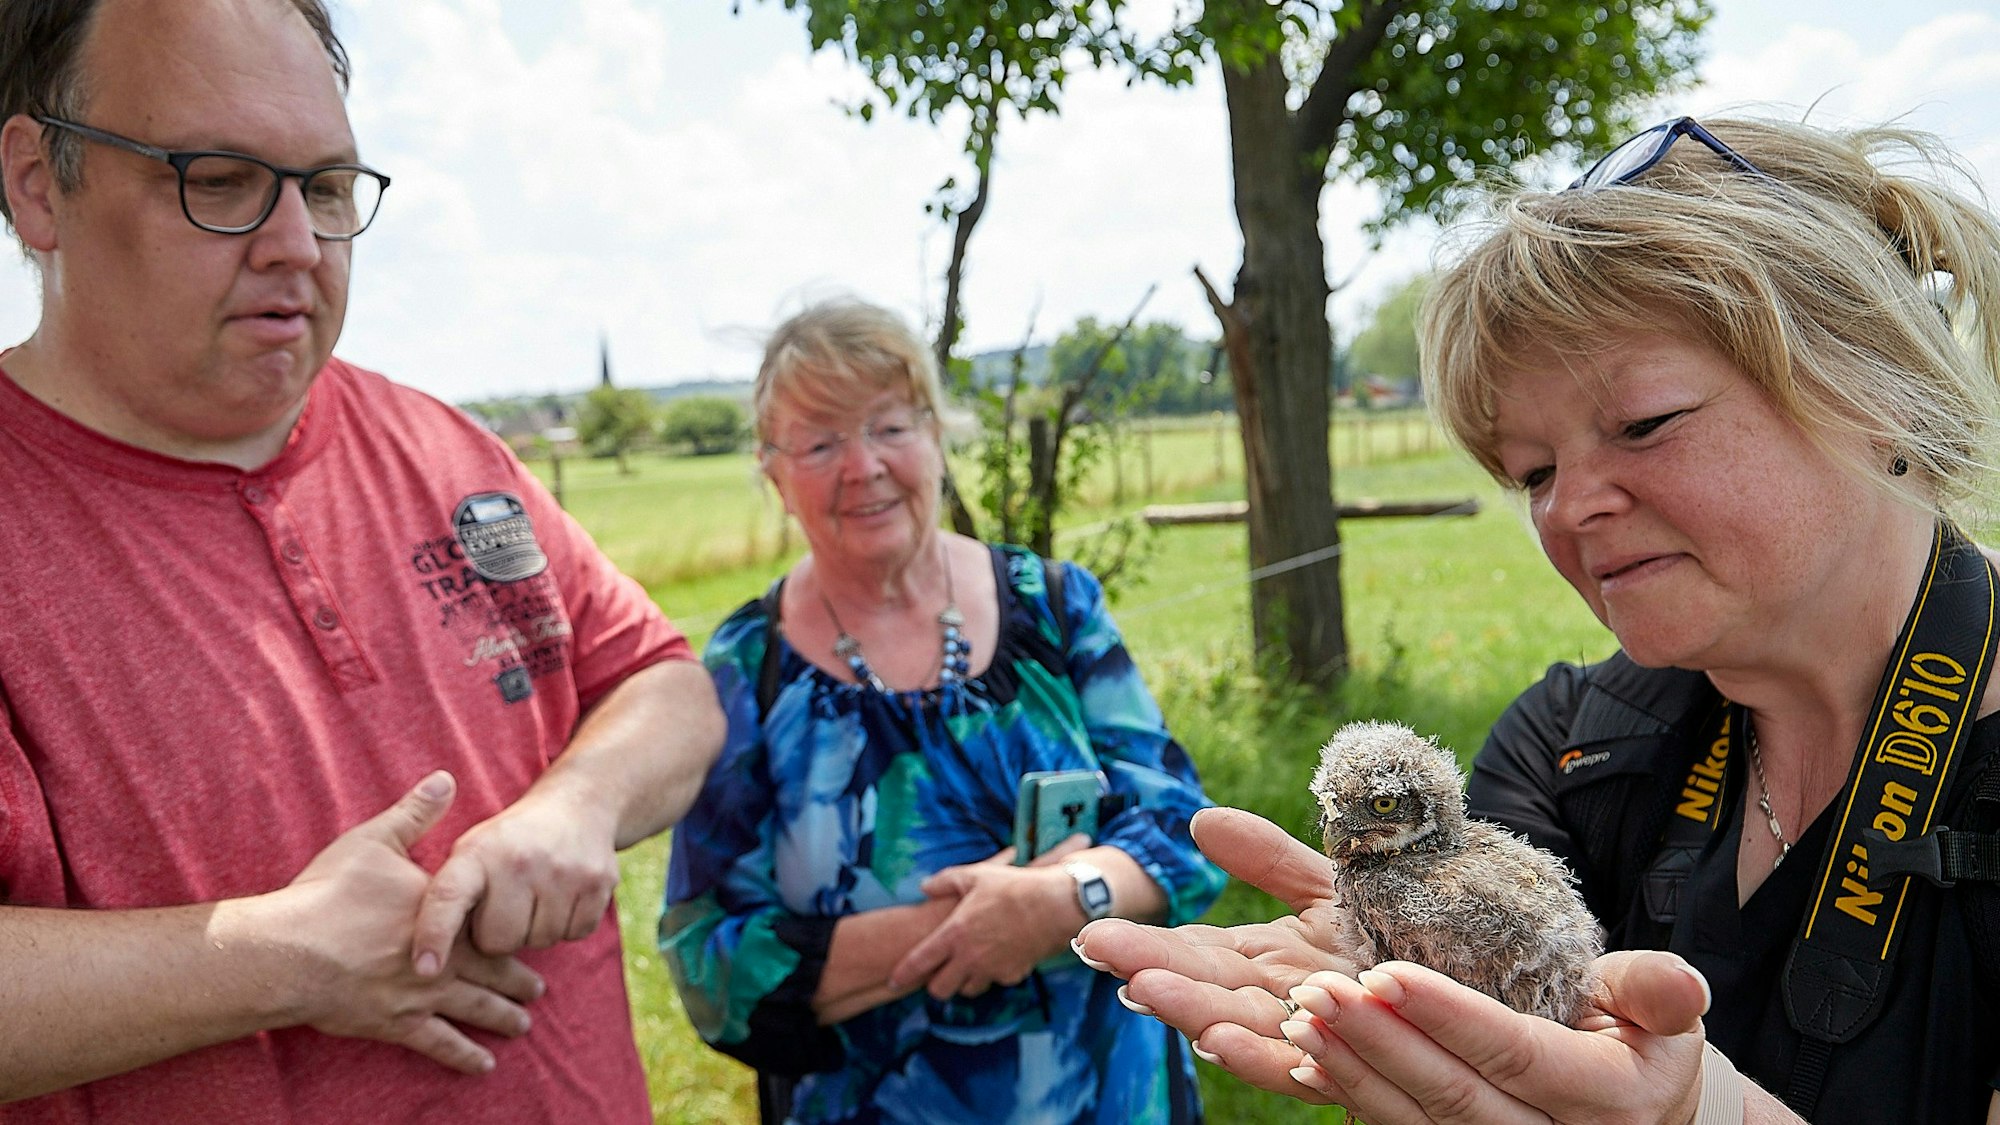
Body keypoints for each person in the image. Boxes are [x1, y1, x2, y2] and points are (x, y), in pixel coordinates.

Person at [1075, 115, 2000, 1124]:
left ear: (1880, 392)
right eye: (1533, 471)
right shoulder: (1573, 746)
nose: (1567, 507)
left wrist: (1711, 1116)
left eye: (1642, 424)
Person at [0, 1, 725, 1122]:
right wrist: (278, 956)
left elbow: (661, 683)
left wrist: (575, 805)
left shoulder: (440, 442)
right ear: (41, 182)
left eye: (327, 188)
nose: (296, 243)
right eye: (223, 177)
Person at [660, 298, 1228, 1124]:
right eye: (820, 442)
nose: (863, 466)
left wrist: (1060, 902)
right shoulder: (751, 666)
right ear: (774, 473)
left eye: (889, 426)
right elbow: (708, 962)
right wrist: (964, 925)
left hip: (1111, 1094)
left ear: (934, 435)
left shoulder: (1054, 606)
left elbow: (1187, 830)